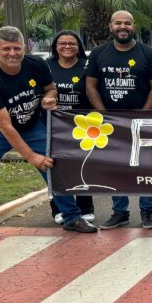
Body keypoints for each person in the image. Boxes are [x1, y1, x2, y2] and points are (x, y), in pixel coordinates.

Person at [0, 27, 95, 246]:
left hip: (29, 125)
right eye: (6, 49)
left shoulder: (36, 64)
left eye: (17, 48)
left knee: (55, 165)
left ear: (24, 48)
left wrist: (48, 99)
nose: (12, 53)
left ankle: (72, 217)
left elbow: (50, 89)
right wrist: (31, 156)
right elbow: (5, 126)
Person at [85, 10, 152, 230]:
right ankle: (120, 212)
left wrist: (144, 114)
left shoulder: (148, 53)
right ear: (111, 26)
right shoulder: (98, 53)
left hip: (142, 121)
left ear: (134, 27)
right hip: (110, 122)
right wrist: (103, 115)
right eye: (118, 23)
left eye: (127, 23)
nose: (123, 27)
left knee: (146, 167)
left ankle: (147, 212)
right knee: (115, 168)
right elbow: (90, 85)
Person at [45, 30, 95, 225]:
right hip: (53, 125)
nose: (67, 47)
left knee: (82, 165)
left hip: (82, 125)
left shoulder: (87, 67)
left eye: (72, 43)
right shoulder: (46, 67)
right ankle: (58, 208)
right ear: (55, 46)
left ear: (79, 47)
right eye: (62, 43)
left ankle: (85, 207)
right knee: (56, 167)